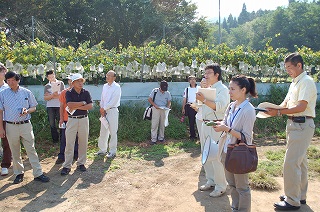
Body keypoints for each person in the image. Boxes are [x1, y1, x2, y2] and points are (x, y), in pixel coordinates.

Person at [266, 53, 317, 211]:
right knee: (300, 162)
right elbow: (285, 103)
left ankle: (292, 200)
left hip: (302, 124)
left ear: (299, 65)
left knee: (291, 162)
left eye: (289, 67)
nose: (287, 70)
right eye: (286, 67)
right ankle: (299, 195)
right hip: (294, 124)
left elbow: (301, 107)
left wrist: (279, 113)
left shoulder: (306, 82)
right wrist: (271, 109)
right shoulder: (295, 83)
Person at [214, 75, 257, 211]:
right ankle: (235, 207)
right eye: (229, 88)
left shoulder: (248, 110)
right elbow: (226, 123)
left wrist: (226, 129)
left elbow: (246, 137)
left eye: (233, 89)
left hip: (240, 153)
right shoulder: (231, 106)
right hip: (227, 150)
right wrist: (220, 124)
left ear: (243, 90)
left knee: (242, 187)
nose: (229, 92)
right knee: (232, 185)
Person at [0, 71, 50, 184]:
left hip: (26, 124)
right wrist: (1, 128)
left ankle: (38, 173)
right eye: (8, 81)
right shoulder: (3, 94)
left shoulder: (26, 92)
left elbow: (34, 107)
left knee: (31, 149)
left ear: (18, 80)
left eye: (12, 80)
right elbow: (0, 111)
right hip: (10, 125)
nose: (10, 82)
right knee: (15, 150)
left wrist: (27, 110)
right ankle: (18, 173)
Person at [196, 64, 229, 197]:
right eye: (205, 73)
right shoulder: (208, 88)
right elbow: (200, 104)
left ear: (217, 75)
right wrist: (199, 100)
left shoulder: (223, 89)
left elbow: (220, 107)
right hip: (205, 124)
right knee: (206, 153)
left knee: (216, 156)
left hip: (216, 125)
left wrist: (203, 99)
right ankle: (211, 180)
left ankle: (221, 185)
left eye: (209, 72)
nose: (206, 75)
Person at [60, 73, 93, 175]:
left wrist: (77, 106)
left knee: (83, 142)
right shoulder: (68, 93)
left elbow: (90, 106)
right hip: (72, 120)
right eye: (78, 81)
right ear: (73, 83)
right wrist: (83, 103)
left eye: (81, 81)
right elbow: (69, 104)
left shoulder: (86, 92)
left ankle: (81, 163)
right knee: (69, 142)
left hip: (83, 119)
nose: (80, 83)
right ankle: (67, 165)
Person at [96, 70, 121, 158]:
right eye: (107, 75)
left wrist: (104, 108)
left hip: (112, 110)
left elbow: (113, 100)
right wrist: (102, 108)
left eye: (109, 76)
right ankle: (102, 150)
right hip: (104, 111)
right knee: (103, 131)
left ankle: (112, 151)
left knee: (113, 131)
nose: (107, 77)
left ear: (114, 78)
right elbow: (103, 98)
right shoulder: (105, 86)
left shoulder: (117, 87)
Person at [55, 74, 79, 164]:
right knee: (64, 138)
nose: (71, 82)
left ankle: (76, 154)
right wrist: (61, 118)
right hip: (66, 119)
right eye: (69, 80)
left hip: (76, 119)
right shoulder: (64, 92)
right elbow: (61, 106)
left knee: (76, 138)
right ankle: (62, 155)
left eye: (73, 80)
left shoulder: (80, 92)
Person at [43, 70, 65, 143]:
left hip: (59, 105)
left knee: (61, 121)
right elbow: (45, 98)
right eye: (50, 77)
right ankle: (55, 140)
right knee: (52, 123)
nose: (52, 78)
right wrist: (53, 95)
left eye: (53, 76)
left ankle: (62, 139)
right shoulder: (47, 86)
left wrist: (51, 96)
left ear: (55, 75)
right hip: (50, 106)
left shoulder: (61, 83)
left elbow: (62, 96)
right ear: (47, 78)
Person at [148, 80, 172, 145]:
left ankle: (161, 138)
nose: (163, 91)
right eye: (162, 89)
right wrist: (155, 105)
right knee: (154, 124)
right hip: (156, 108)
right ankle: (153, 139)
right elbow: (149, 99)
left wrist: (168, 107)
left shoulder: (167, 93)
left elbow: (169, 101)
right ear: (160, 87)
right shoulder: (155, 91)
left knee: (162, 124)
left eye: (165, 89)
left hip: (164, 109)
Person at [0, 64, 10, 176]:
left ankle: (5, 165)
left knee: (7, 142)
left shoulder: (8, 88)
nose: (3, 73)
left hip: (6, 118)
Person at [182, 75, 198, 140]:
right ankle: (192, 136)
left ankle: (200, 135)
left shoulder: (199, 88)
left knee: (198, 121)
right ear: (189, 81)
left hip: (198, 106)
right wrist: (183, 108)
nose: (192, 81)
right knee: (191, 121)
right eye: (191, 79)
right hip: (190, 106)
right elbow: (184, 99)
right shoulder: (187, 89)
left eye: (194, 79)